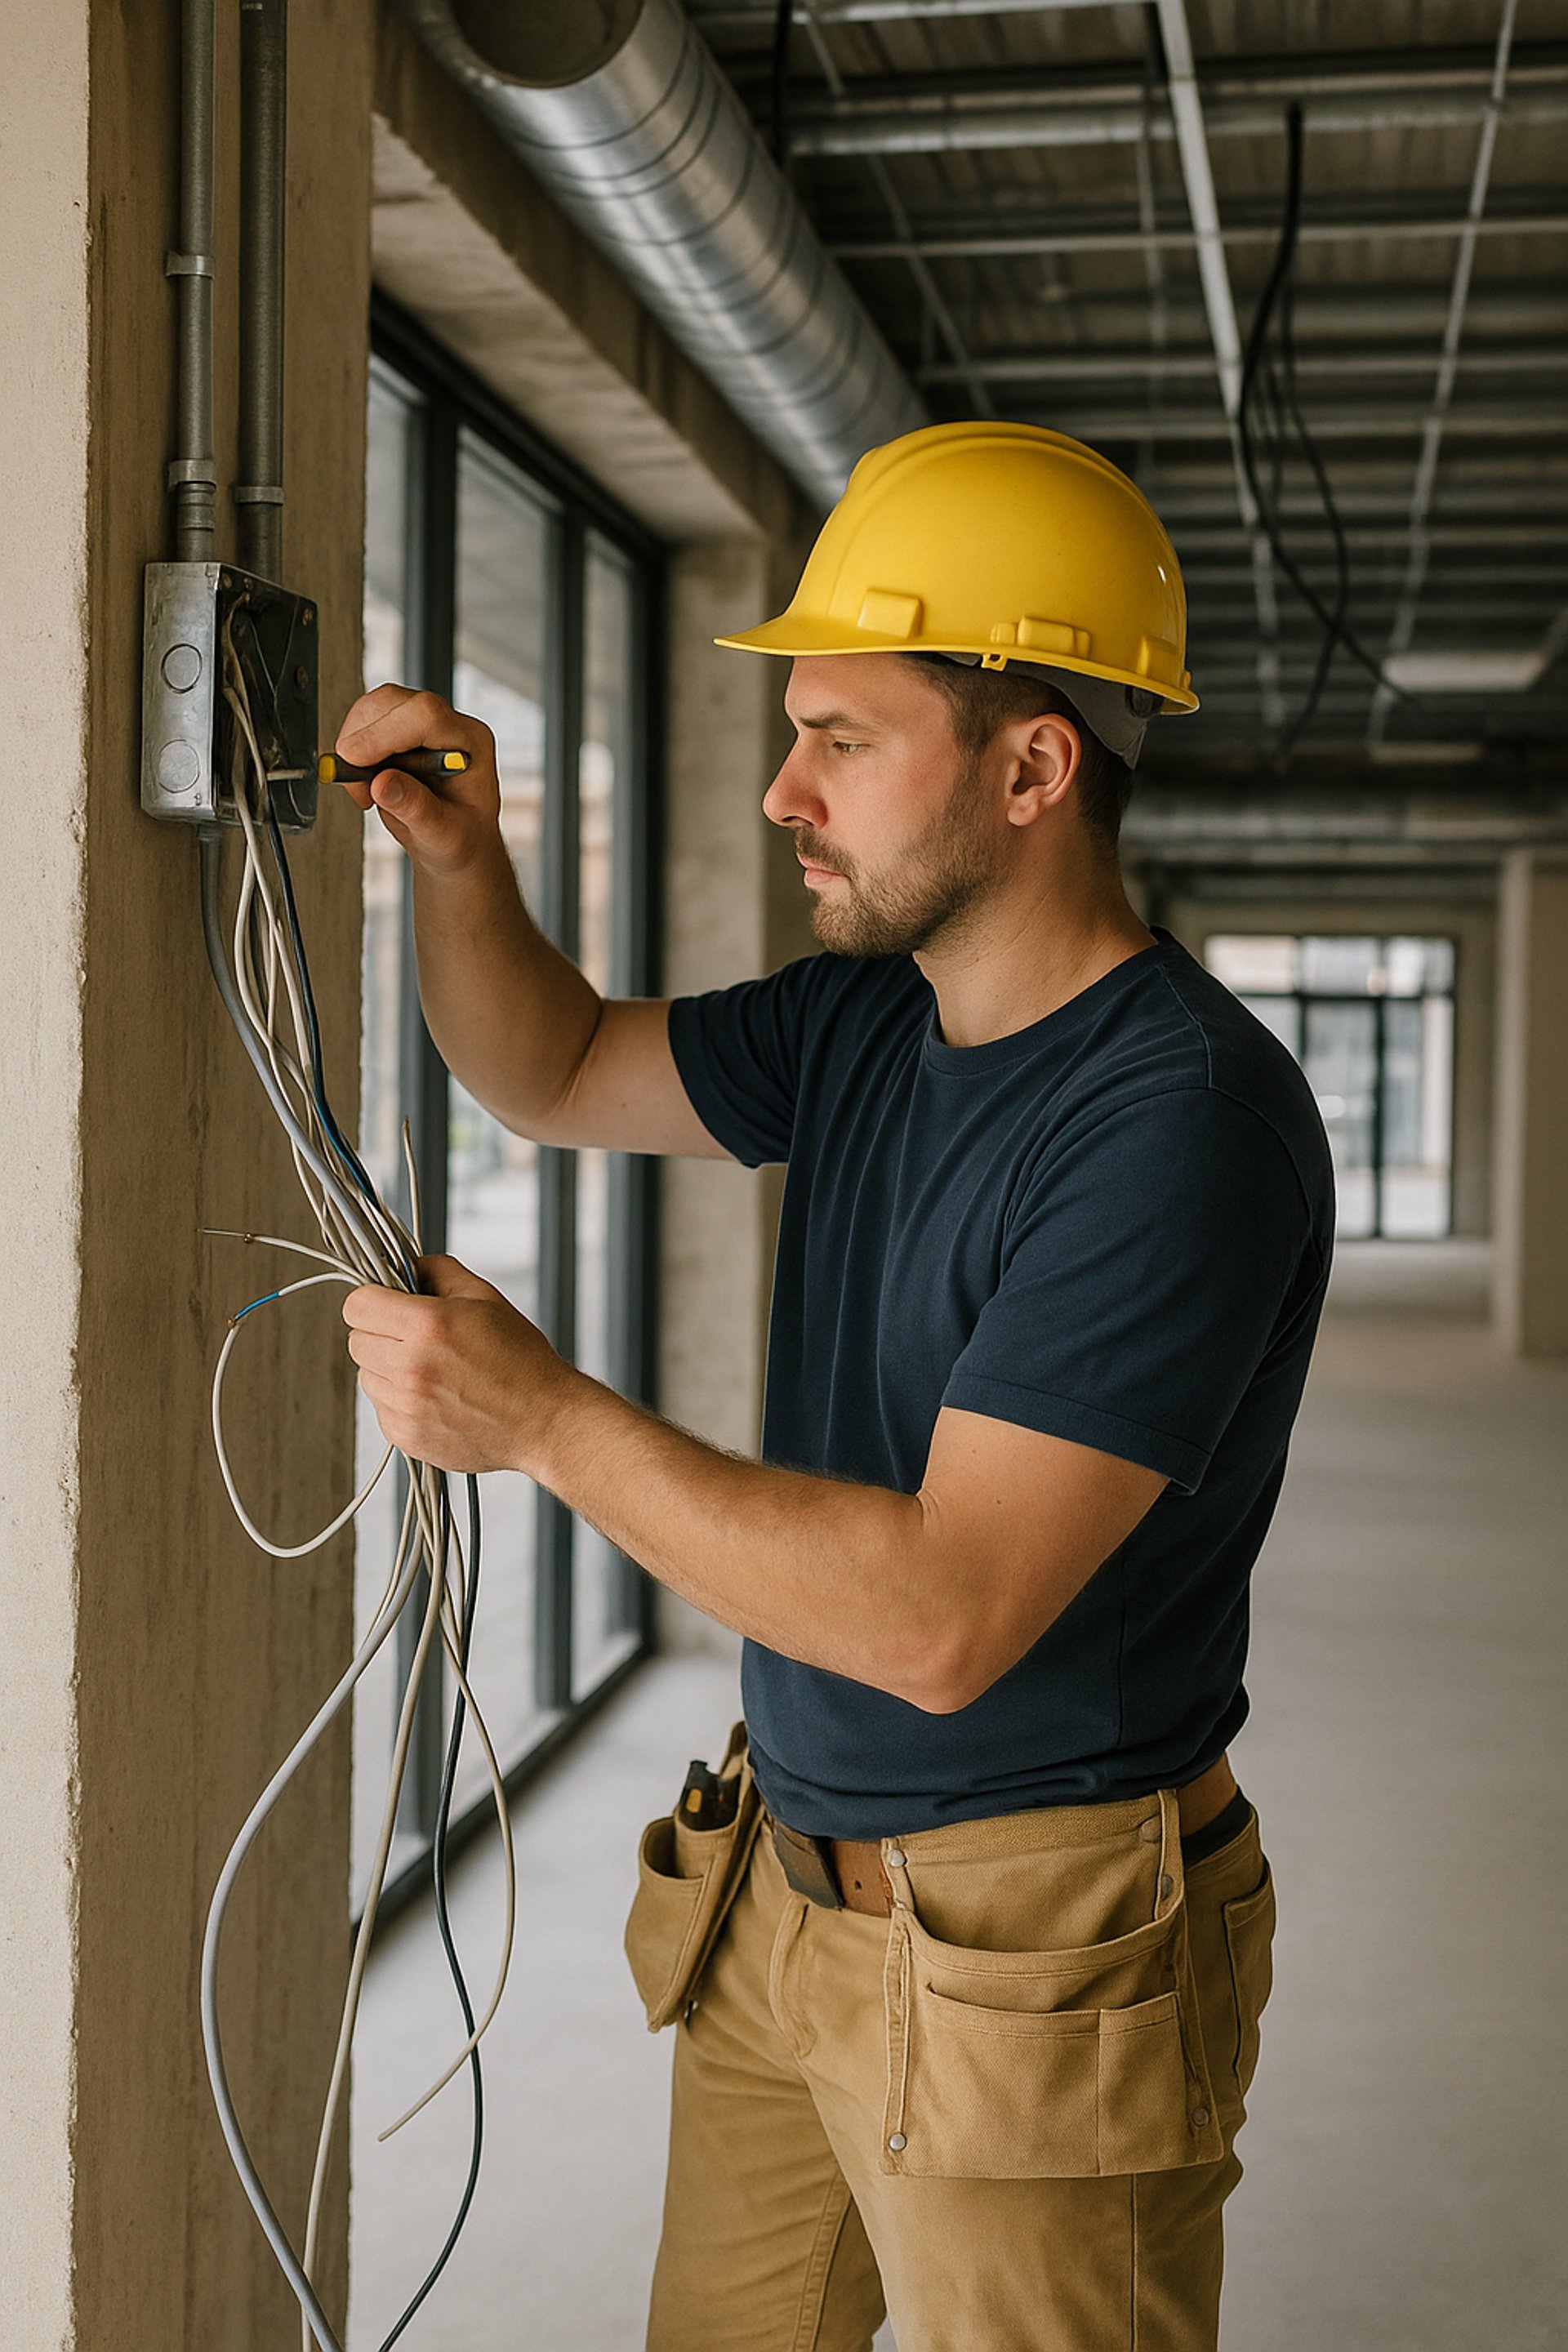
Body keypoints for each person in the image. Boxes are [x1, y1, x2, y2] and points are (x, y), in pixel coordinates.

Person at [339, 422, 1334, 2352]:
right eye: (795, 729)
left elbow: (945, 1618)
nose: (785, 788)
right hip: (784, 1894)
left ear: (1035, 764)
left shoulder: (1180, 1121)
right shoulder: (871, 1016)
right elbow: (549, 1068)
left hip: (1039, 1952)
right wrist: (464, 859)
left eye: (846, 739)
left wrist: (547, 1423)